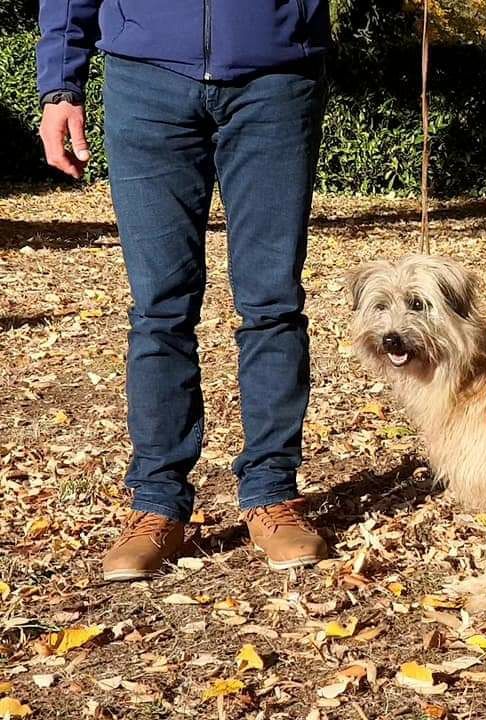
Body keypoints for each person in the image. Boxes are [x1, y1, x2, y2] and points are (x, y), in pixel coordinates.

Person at [37, 0, 332, 580]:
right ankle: (157, 503)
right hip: (144, 78)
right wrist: (59, 87)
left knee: (272, 302)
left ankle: (273, 492)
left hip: (275, 78)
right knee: (158, 307)